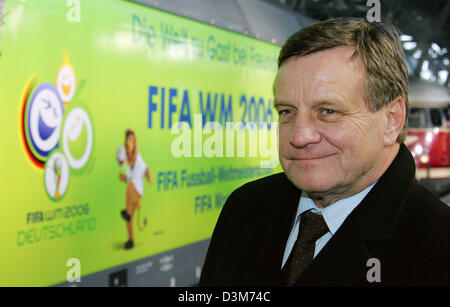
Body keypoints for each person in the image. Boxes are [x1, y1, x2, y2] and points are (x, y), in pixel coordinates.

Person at [199, 18, 449, 286]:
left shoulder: (438, 246)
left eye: (328, 111)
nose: (299, 136)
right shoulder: (244, 209)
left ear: (391, 120)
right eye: (287, 112)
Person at [119, 129, 152, 250]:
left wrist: (149, 176)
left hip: (136, 190)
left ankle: (127, 213)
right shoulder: (128, 162)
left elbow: (146, 169)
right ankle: (131, 240)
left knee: (130, 186)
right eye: (127, 140)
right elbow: (128, 177)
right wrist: (122, 177)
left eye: (130, 140)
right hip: (132, 193)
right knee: (129, 219)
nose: (128, 142)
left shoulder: (137, 158)